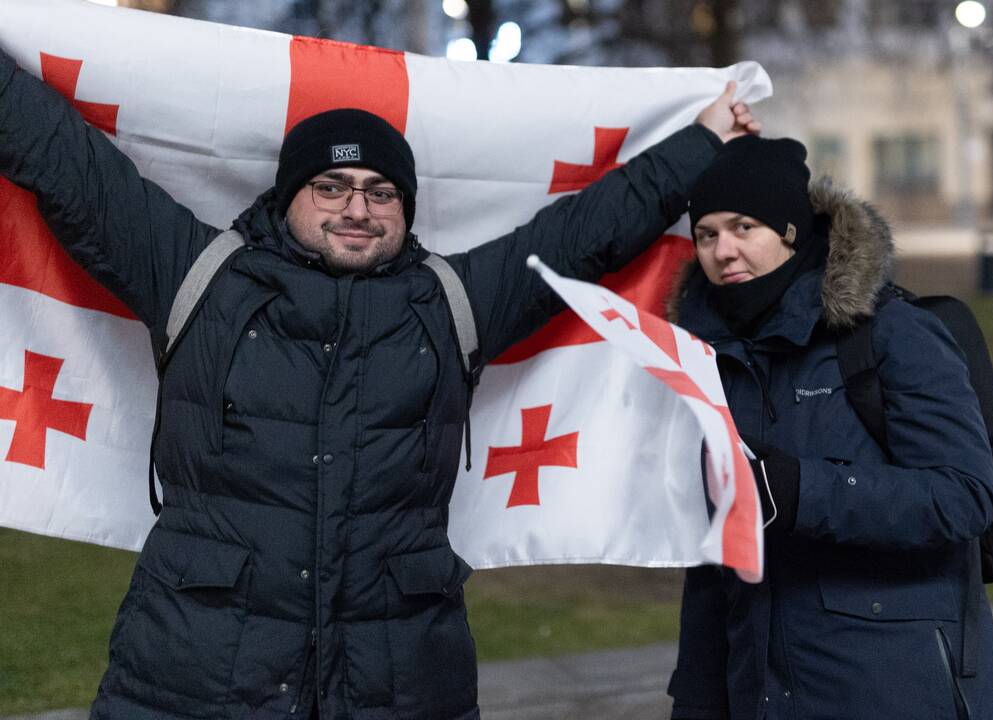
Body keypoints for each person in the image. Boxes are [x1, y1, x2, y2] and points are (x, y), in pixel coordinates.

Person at [0, 43, 761, 719]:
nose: (356, 209)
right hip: (191, 678)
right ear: (287, 195)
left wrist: (703, 141)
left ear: (405, 206)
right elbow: (65, 162)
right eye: (331, 186)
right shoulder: (196, 275)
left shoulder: (454, 300)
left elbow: (591, 229)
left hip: (398, 679)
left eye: (380, 190)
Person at [665, 136, 993, 719]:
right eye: (706, 234)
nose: (723, 249)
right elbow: (716, 559)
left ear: (791, 232)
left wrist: (805, 491)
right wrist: (697, 699)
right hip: (765, 690)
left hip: (896, 685)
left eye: (743, 227)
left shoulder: (888, 334)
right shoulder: (711, 361)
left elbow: (966, 496)